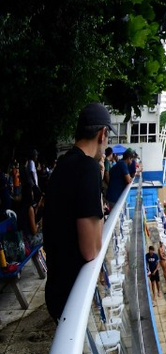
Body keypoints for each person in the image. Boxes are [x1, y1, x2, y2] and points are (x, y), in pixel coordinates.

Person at [43, 103, 111, 321]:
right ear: (103, 134)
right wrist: (99, 191)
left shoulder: (63, 164)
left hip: (56, 287)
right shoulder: (87, 169)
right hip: (70, 296)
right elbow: (91, 249)